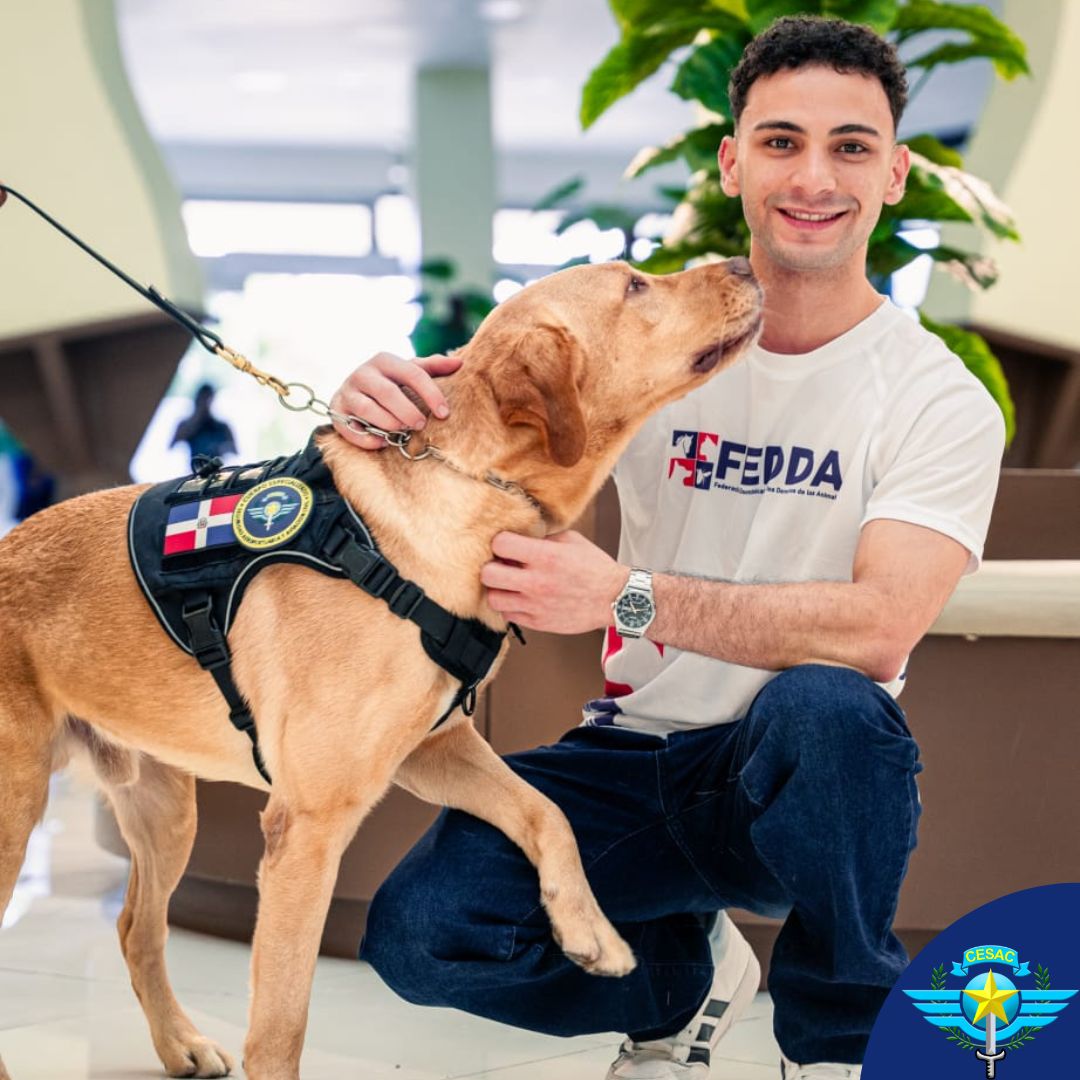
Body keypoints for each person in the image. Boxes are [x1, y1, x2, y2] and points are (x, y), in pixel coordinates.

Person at [328, 16, 1005, 1080]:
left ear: (894, 173)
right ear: (733, 164)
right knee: (422, 934)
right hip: (633, 758)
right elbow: (472, 411)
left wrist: (624, 598)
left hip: (795, 781)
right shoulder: (651, 339)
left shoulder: (936, 399)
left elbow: (879, 630)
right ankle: (682, 983)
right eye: (780, 142)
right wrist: (374, 400)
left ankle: (838, 1046)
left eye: (850, 146)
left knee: (833, 708)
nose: (813, 177)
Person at [170, 382, 237, 470]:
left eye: (207, 399)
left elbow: (234, 450)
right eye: (202, 399)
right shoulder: (186, 424)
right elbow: (173, 444)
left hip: (218, 471)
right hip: (194, 471)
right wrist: (196, 420)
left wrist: (221, 448)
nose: (205, 403)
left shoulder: (222, 426)